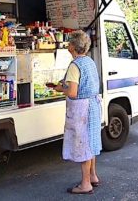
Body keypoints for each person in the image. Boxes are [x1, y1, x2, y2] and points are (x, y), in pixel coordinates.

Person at [54, 30, 102, 195]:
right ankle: (93, 176)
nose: (68, 45)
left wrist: (60, 88)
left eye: (69, 43)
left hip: (82, 109)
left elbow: (73, 92)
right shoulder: (89, 61)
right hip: (93, 105)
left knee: (83, 147)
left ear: (73, 47)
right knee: (91, 143)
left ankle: (85, 184)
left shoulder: (75, 65)